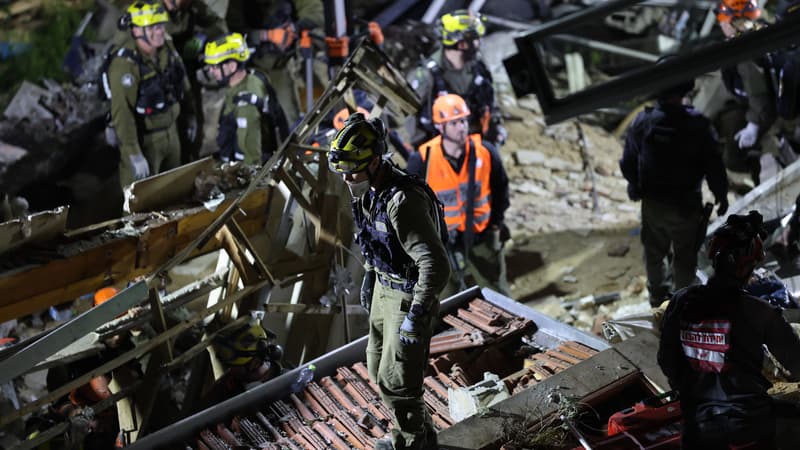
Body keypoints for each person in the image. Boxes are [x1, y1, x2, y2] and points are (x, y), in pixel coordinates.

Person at [328, 113, 450, 450]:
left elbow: (436, 265)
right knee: (377, 366)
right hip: (384, 287)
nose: (347, 178)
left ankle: (411, 443)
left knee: (399, 382)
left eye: (352, 170)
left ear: (375, 160)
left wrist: (417, 314)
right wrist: (370, 275)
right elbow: (374, 241)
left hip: (407, 296)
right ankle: (421, 433)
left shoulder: (403, 201)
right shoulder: (370, 191)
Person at [658, 211, 800, 449]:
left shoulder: (681, 301)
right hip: (749, 425)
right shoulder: (759, 312)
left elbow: (666, 360)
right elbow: (797, 362)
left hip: (699, 428)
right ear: (748, 266)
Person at [620, 79, 729, 306]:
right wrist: (721, 195)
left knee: (654, 252)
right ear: (683, 91)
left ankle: (657, 299)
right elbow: (714, 164)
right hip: (686, 206)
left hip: (653, 204)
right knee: (685, 256)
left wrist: (635, 185)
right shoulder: (697, 123)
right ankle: (682, 303)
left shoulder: (643, 120)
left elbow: (628, 160)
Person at [407, 93, 510, 297]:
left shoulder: (485, 152)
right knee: (445, 297)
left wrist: (496, 223)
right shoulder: (423, 159)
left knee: (497, 291)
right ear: (440, 127)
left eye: (463, 120)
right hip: (442, 241)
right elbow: (410, 204)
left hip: (482, 235)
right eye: (453, 123)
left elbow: (501, 189)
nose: (461, 127)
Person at [104, 0, 195, 188]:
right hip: (146, 140)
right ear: (137, 31)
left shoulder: (166, 48)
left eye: (160, 25)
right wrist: (133, 152)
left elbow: (181, 81)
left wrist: (191, 115)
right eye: (152, 27)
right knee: (140, 202)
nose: (160, 31)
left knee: (174, 192)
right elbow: (122, 112)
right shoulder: (125, 64)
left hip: (172, 132)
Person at [407, 9, 506, 148]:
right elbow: (411, 114)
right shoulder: (427, 75)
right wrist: (423, 151)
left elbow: (490, 101)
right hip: (442, 148)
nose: (479, 43)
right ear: (462, 44)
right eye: (476, 39)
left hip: (476, 144)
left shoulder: (478, 68)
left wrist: (496, 127)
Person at [225, 0, 324, 125]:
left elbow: (315, 11)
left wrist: (294, 28)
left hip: (282, 65)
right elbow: (231, 32)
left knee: (290, 120)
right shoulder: (237, 5)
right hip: (251, 67)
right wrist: (265, 35)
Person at [715, 0, 777, 186]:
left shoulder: (746, 47)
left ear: (737, 20)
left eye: (724, 18)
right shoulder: (762, 32)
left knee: (734, 156)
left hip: (771, 113)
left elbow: (758, 93)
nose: (722, 24)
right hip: (760, 106)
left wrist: (754, 125)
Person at [203, 32, 289, 164]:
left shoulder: (246, 105)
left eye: (215, 66)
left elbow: (251, 157)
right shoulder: (252, 77)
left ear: (232, 66)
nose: (210, 71)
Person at [162, 0, 228, 163]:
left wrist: (202, 37)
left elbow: (219, 24)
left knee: (194, 122)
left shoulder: (191, 6)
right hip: (162, 79)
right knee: (171, 128)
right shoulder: (150, 12)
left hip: (187, 73)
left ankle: (189, 163)